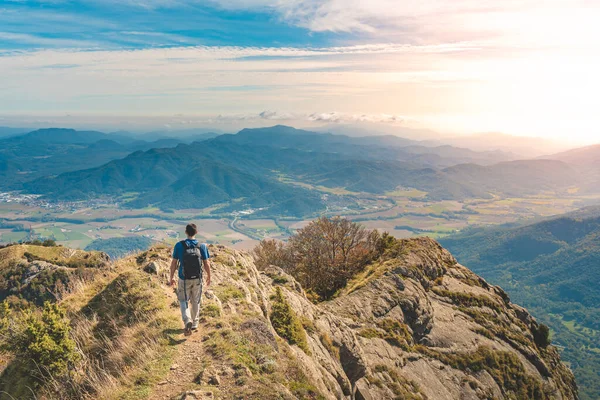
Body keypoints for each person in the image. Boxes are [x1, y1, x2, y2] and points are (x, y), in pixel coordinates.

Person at [169, 223, 211, 335]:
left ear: (186, 232)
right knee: (195, 300)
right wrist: (209, 276)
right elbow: (206, 263)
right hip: (197, 278)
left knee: (183, 300)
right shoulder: (202, 246)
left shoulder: (179, 245)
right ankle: (195, 323)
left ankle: (187, 320)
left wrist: (171, 278)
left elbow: (173, 263)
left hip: (184, 278)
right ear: (196, 232)